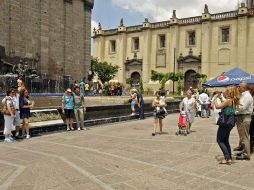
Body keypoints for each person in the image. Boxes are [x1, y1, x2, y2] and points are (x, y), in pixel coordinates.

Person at [215, 86, 240, 164]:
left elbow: (217, 106)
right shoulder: (234, 101)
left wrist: (216, 98)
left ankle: (227, 158)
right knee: (225, 140)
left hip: (225, 123)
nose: (225, 92)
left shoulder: (228, 100)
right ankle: (229, 157)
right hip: (230, 123)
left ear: (230, 93)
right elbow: (226, 107)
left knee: (219, 140)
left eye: (226, 91)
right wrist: (222, 99)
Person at [235, 82, 253, 160]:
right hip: (242, 117)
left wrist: (234, 110)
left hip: (244, 117)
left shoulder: (246, 96)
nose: (238, 88)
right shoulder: (245, 95)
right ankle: (244, 151)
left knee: (244, 136)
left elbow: (242, 107)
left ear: (244, 88)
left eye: (239, 86)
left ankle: (246, 154)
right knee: (242, 136)